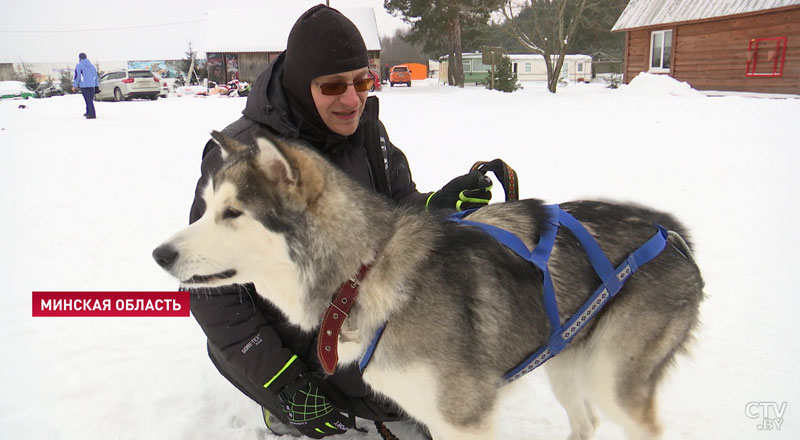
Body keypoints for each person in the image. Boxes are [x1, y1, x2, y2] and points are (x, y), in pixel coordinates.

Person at [187, 5, 492, 439]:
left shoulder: (366, 132)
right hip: (290, 325)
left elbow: (396, 208)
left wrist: (436, 205)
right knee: (391, 383)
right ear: (300, 84)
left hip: (362, 299)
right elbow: (211, 293)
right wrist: (281, 382)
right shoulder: (244, 159)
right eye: (332, 85)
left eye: (362, 81)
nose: (352, 99)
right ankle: (282, 404)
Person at [72, 53, 99, 119]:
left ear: (80, 58)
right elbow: (96, 76)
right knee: (90, 99)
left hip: (84, 85)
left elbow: (77, 76)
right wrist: (96, 86)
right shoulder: (92, 66)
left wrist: (75, 85)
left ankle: (92, 114)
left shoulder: (79, 66)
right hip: (92, 85)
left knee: (88, 100)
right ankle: (88, 112)